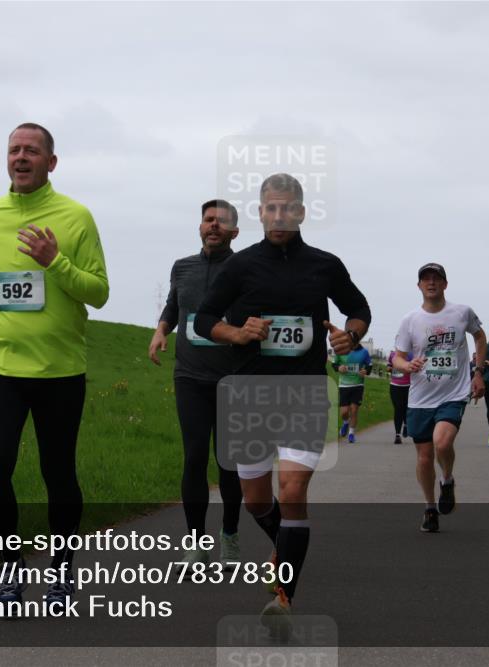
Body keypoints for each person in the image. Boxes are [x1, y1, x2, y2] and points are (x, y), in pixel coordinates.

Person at [194, 173, 370, 631]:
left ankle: (283, 597)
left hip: (305, 392)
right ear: (260, 212)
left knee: (292, 493)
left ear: (301, 212)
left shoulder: (324, 264)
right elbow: (205, 319)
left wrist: (350, 336)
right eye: (270, 208)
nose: (278, 216)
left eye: (286, 208)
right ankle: (286, 547)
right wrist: (236, 332)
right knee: (256, 501)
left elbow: (359, 308)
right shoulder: (241, 266)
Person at [0, 123, 108, 610]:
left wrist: (55, 260)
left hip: (59, 368)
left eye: (32, 151)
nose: (21, 157)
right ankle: (11, 563)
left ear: (51, 163)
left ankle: (62, 571)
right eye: (14, 150)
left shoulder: (76, 216)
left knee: (57, 473)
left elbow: (98, 292)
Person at [148, 199, 244, 567]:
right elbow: (174, 305)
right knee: (193, 458)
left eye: (222, 222)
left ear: (234, 231)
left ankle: (230, 537)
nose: (213, 226)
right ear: (200, 227)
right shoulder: (182, 267)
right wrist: (160, 332)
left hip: (232, 377)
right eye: (208, 220)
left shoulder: (244, 268)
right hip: (189, 375)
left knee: (228, 463)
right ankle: (195, 542)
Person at [392, 263, 486, 533]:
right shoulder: (410, 320)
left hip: (453, 393)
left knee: (442, 443)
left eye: (436, 279)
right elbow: (398, 356)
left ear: (445, 284)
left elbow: (480, 338)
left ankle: (447, 479)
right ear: (419, 286)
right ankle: (430, 508)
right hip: (420, 397)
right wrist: (405, 366)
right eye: (426, 279)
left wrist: (478, 373)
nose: (431, 283)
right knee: (423, 458)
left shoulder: (461, 313)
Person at [333, 342, 371, 443]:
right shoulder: (340, 350)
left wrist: (366, 371)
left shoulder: (364, 352)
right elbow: (334, 364)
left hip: (358, 385)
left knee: (354, 410)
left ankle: (351, 433)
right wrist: (338, 368)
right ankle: (345, 422)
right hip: (344, 385)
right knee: (344, 412)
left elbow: (369, 366)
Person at [387, 343, 410, 444]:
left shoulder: (411, 354)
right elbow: (388, 366)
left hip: (408, 386)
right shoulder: (393, 355)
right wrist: (390, 369)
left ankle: (406, 425)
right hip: (395, 386)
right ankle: (397, 435)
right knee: (398, 408)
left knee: (405, 408)